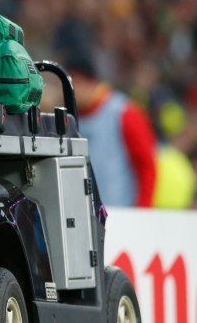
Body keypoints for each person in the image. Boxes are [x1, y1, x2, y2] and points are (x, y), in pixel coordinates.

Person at [66, 50, 157, 208]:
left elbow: (147, 167)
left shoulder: (124, 113)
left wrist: (142, 212)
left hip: (121, 213)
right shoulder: (70, 115)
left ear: (90, 82)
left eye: (75, 84)